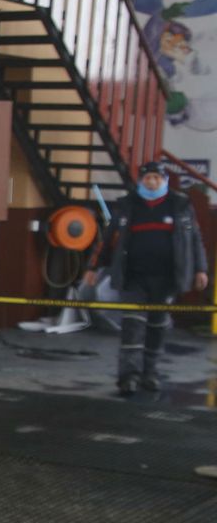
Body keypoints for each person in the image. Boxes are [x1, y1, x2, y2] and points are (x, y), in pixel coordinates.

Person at [85, 161, 210, 394]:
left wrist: (200, 270)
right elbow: (109, 238)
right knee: (132, 326)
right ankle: (128, 376)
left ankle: (150, 373)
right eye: (148, 178)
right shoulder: (127, 205)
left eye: (157, 178)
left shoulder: (180, 205)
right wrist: (94, 267)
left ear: (164, 180)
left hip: (166, 280)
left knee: (157, 326)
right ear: (141, 181)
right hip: (133, 278)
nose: (152, 182)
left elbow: (195, 240)